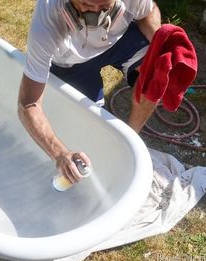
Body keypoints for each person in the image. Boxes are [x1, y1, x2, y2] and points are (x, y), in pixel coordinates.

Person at [18, 0, 161, 184]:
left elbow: (148, 11)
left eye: (104, 7)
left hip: (118, 40)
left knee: (157, 76)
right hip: (71, 62)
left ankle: (130, 142)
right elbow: (28, 104)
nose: (95, 15)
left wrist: (159, 41)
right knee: (90, 127)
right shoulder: (47, 21)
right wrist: (60, 154)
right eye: (86, 5)